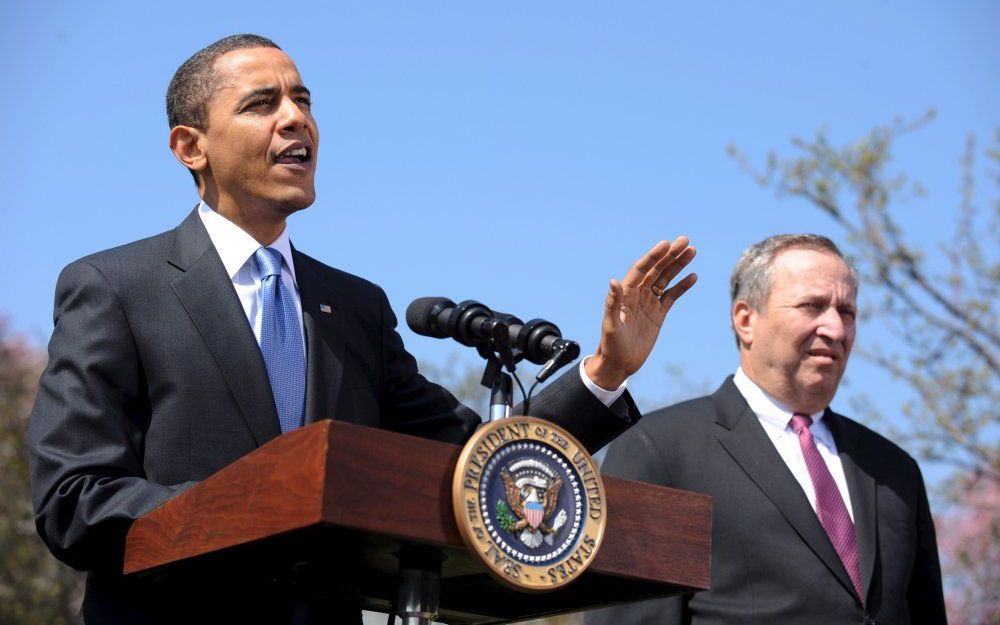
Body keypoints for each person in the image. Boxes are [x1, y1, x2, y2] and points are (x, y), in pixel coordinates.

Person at [27, 35, 698, 624]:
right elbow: (74, 499)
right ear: (189, 146)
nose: (297, 119)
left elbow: (480, 463)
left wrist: (607, 371)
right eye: (262, 104)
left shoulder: (353, 308)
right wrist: (260, 507)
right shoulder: (117, 288)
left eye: (304, 100)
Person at [587, 234, 947, 625]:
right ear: (746, 320)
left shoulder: (894, 469)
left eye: (847, 312)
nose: (836, 329)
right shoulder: (661, 448)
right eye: (813, 306)